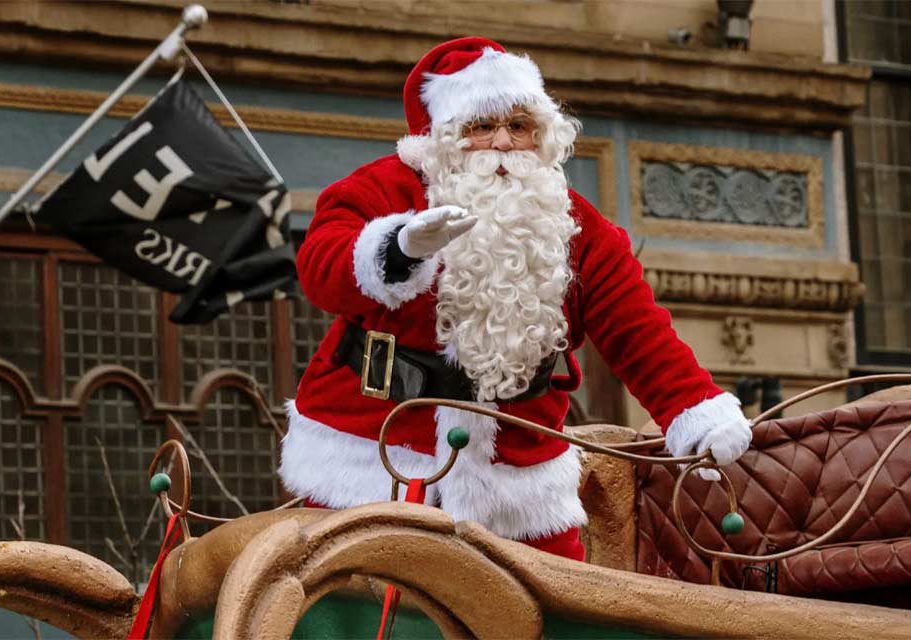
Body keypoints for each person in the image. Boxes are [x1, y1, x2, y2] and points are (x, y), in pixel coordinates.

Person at [279, 37, 752, 561]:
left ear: (541, 135)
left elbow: (638, 331)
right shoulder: (381, 188)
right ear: (445, 137)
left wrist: (693, 409)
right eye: (482, 127)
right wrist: (398, 248)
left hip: (519, 477)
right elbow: (320, 268)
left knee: (558, 608)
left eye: (519, 126)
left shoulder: (573, 223)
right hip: (371, 456)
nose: (504, 143)